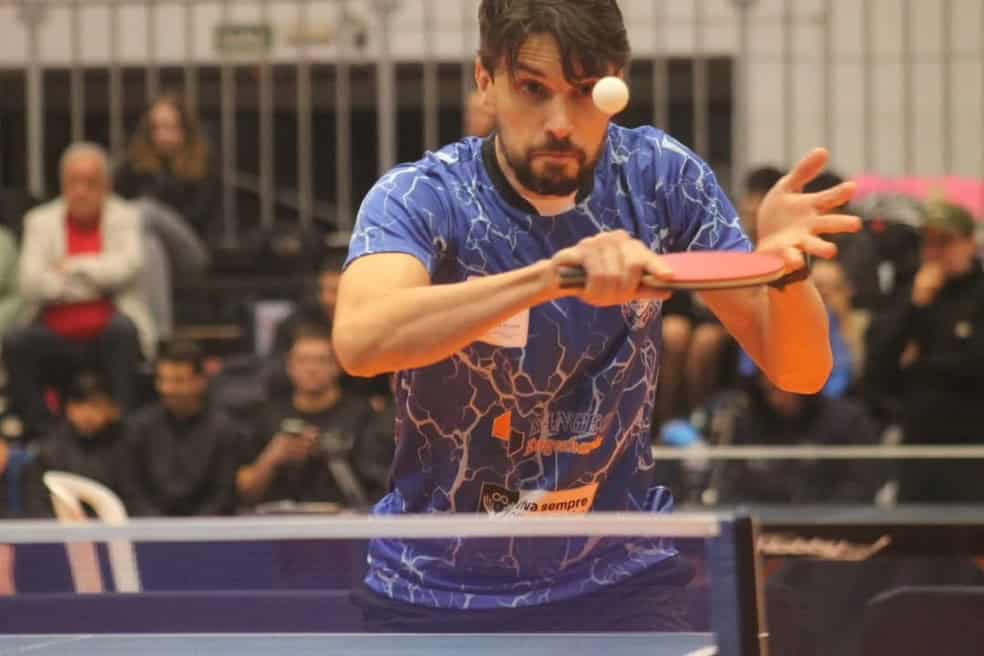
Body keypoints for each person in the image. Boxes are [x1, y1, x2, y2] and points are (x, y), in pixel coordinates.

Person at [333, 0, 858, 632]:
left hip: (621, 577)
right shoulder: (423, 195)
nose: (561, 123)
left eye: (585, 92)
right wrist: (550, 277)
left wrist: (787, 270)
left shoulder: (662, 179)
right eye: (534, 89)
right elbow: (362, 341)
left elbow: (800, 371)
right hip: (435, 585)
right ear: (485, 81)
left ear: (616, 84)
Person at [3, 143, 152, 437]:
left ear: (106, 185)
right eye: (74, 182)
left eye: (90, 183)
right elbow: (31, 284)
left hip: (108, 328)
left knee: (124, 334)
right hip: (54, 331)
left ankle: (120, 431)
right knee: (16, 343)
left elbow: (128, 268)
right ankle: (44, 433)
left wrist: (71, 267)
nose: (81, 191)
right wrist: (96, 281)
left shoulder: (126, 216)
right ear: (62, 185)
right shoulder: (40, 221)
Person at [865, 200, 984, 502]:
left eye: (945, 242)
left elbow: (974, 364)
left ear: (970, 244)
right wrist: (916, 305)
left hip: (973, 441)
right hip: (918, 437)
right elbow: (878, 364)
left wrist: (918, 366)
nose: (935, 252)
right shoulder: (909, 293)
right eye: (928, 243)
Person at [236, 322, 381, 509]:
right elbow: (244, 493)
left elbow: (380, 487)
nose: (311, 369)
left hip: (347, 518)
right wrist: (272, 457)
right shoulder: (266, 415)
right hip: (278, 519)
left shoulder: (362, 415)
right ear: (289, 367)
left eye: (321, 360)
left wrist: (330, 452)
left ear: (337, 366)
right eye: (302, 360)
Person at [122, 340, 242, 516]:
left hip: (208, 527)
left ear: (200, 381)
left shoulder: (224, 430)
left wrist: (195, 528)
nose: (167, 389)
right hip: (148, 526)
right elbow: (131, 489)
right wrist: (157, 525)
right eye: (162, 380)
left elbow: (224, 494)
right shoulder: (138, 427)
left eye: (178, 381)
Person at [114, 92, 220, 240]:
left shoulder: (203, 165)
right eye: (155, 128)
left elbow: (199, 217)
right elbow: (118, 206)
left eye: (169, 127)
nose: (162, 135)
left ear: (185, 129)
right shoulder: (133, 164)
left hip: (189, 240)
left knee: (147, 212)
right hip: (141, 238)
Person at [29, 371, 128, 505]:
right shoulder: (49, 451)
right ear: (69, 409)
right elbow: (36, 503)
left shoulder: (125, 446)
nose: (87, 414)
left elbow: (134, 496)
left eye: (95, 405)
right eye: (79, 405)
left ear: (111, 409)